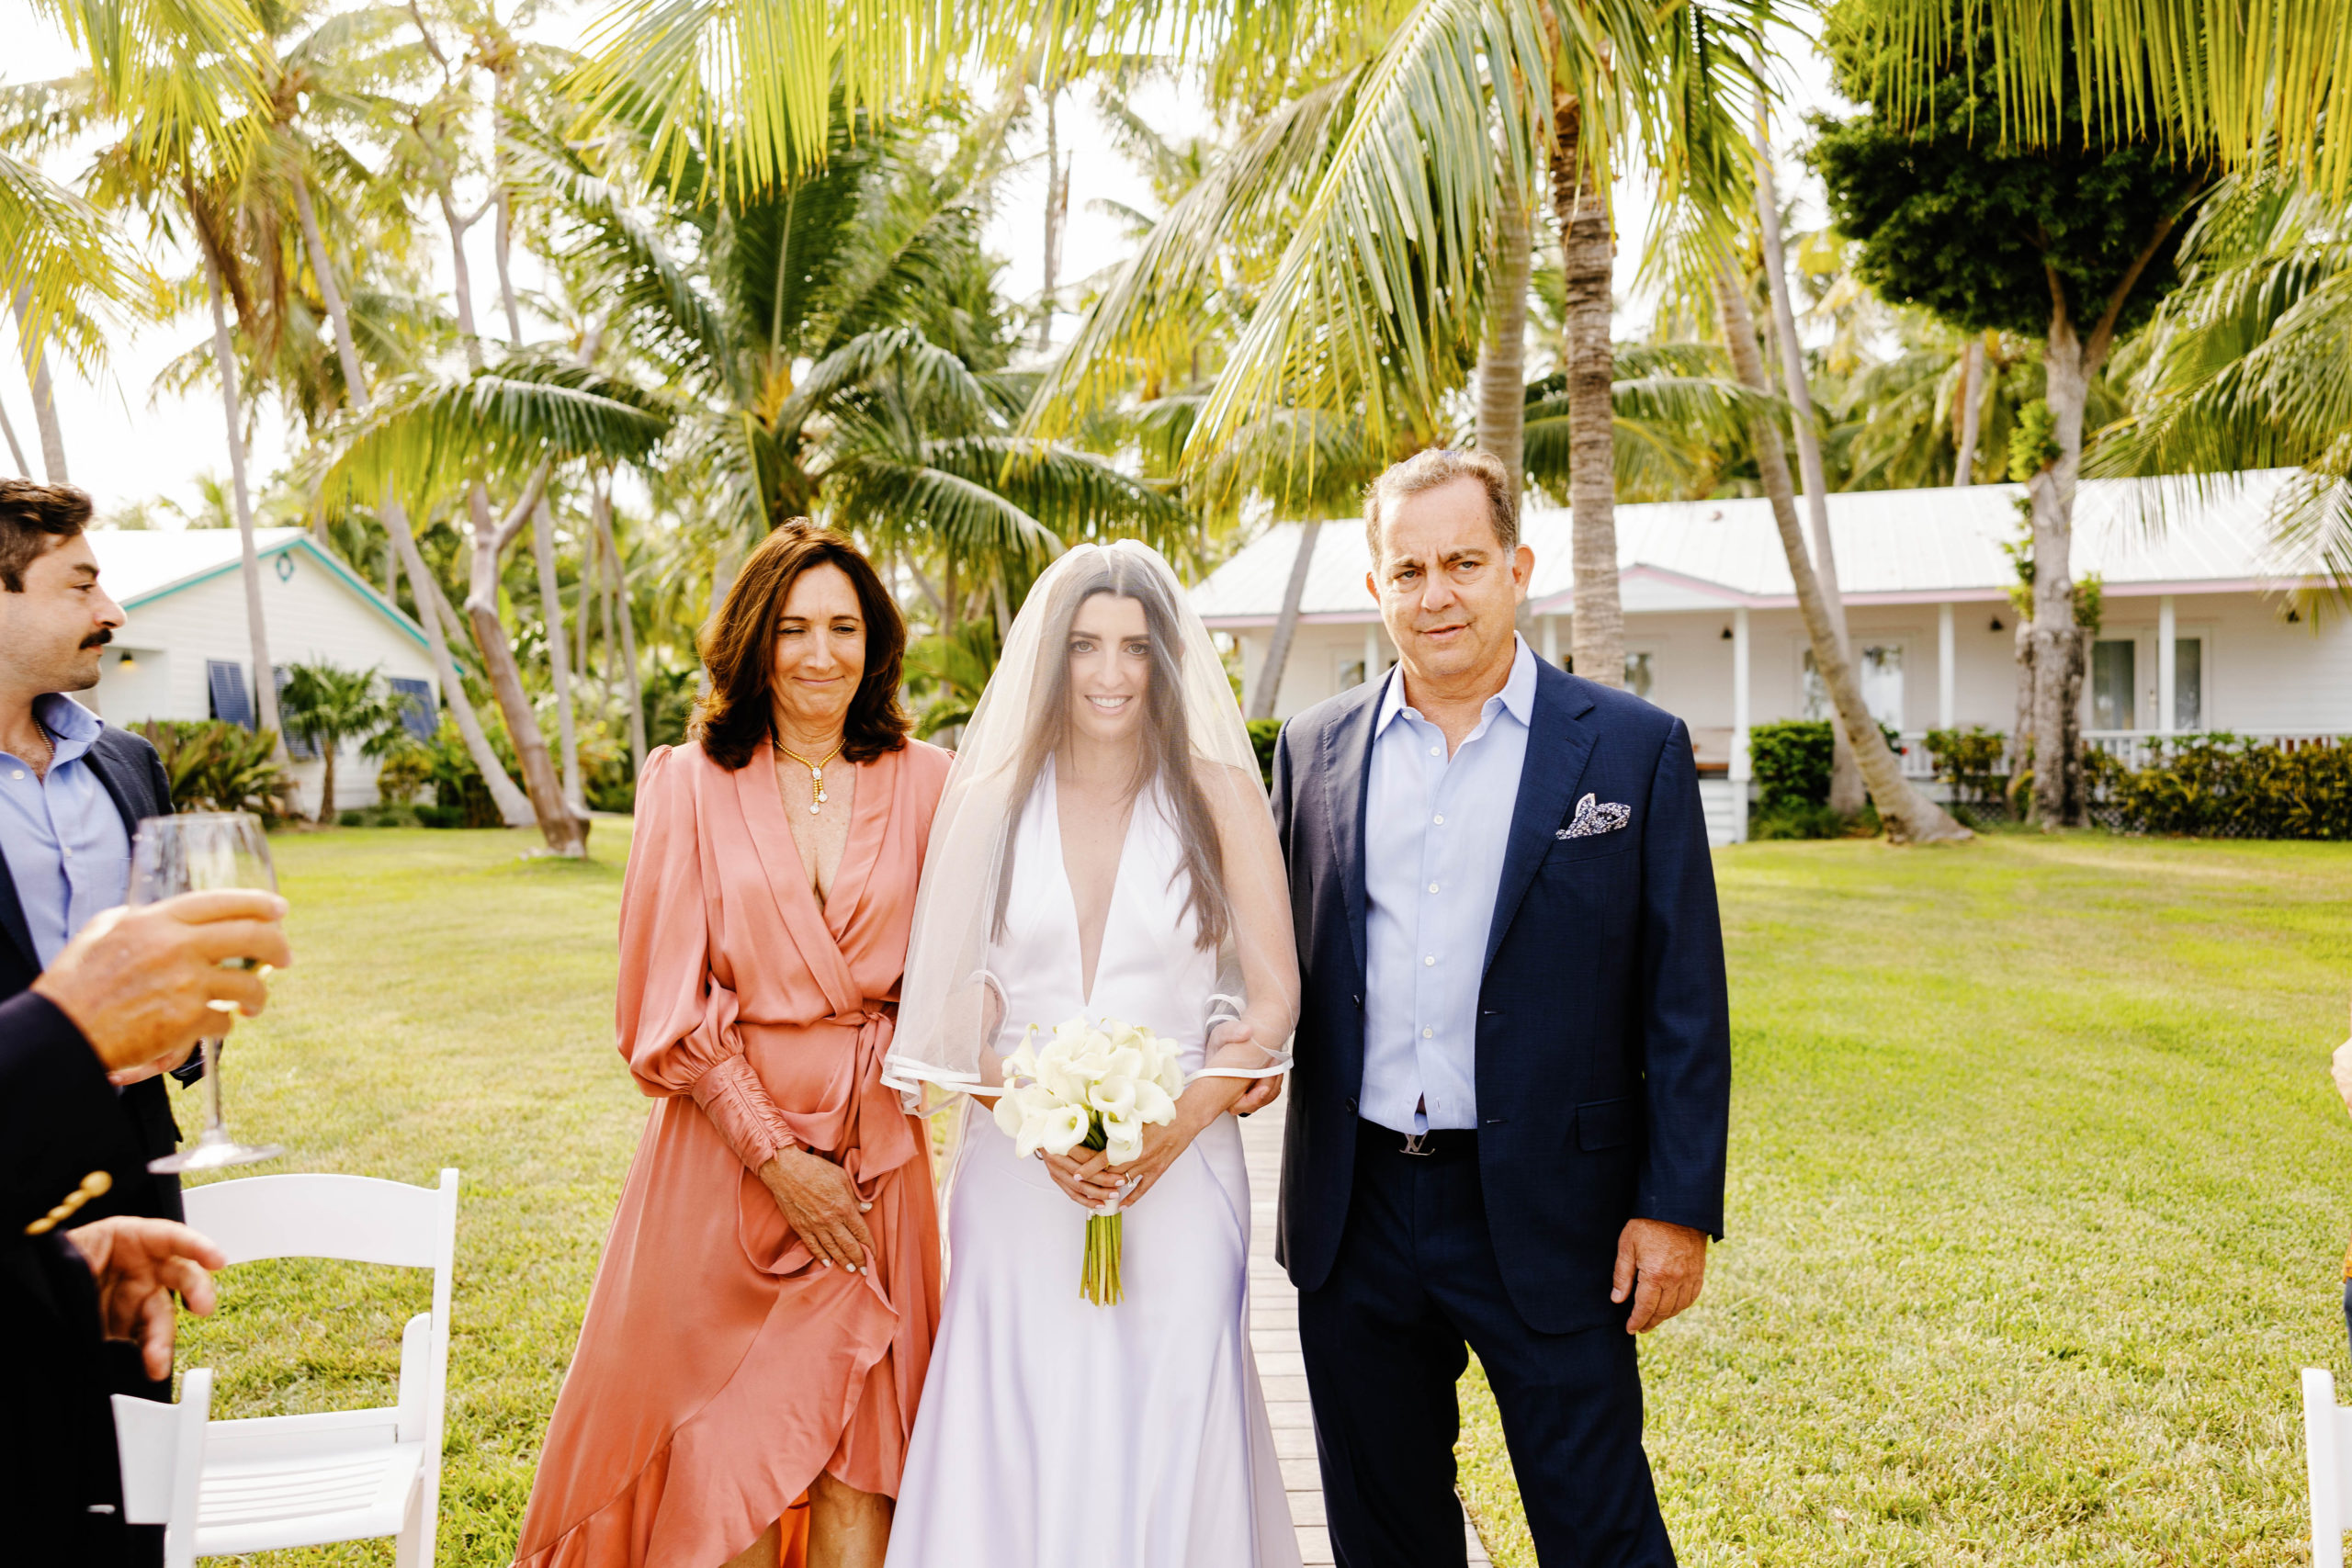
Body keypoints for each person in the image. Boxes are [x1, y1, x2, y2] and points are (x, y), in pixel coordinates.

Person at [1268, 449, 1731, 1567]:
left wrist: (1673, 1207)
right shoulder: (1311, 748)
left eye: (1464, 563)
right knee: (1385, 1537)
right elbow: (1267, 959)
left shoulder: (1630, 747)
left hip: (1552, 1212)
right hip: (1357, 1207)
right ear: (1375, 588)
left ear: (1515, 567)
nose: (1437, 594)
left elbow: (1683, 1001)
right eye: (1409, 568)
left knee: (1599, 1528)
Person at [514, 523, 953, 1568]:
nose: (819, 653)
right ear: (753, 643)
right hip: (720, 1166)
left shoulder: (935, 780)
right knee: (728, 1465)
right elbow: (658, 1003)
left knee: (864, 1453)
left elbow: (966, 977)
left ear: (876, 641)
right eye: (793, 627)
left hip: (876, 1164)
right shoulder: (690, 780)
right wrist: (774, 1154)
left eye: (844, 627)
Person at [880, 541, 1303, 1568]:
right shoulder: (988, 801)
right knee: (1018, 1405)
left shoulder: (1217, 795)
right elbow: (957, 993)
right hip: (1019, 1171)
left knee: (1171, 1406)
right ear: (1050, 657)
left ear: (1166, 660)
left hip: (1183, 1165)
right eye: (1084, 646)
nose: (1110, 673)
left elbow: (1272, 992)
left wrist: (1177, 1125)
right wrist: (1030, 1119)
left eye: (1134, 647)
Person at [3, 888, 292, 1566]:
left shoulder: (136, 773)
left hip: (92, 1251)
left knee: (125, 1509)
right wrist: (64, 1029)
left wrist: (63, 1264)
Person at [0, 478, 204, 1229]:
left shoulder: (128, 761)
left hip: (135, 1168)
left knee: (139, 1355)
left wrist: (186, 1028)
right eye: (81, 586)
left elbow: (176, 949)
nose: (112, 612)